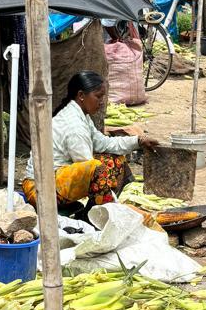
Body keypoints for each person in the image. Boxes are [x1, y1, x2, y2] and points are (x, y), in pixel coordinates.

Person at [22, 71, 159, 216]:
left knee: (116, 161)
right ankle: (98, 215)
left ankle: (91, 211)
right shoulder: (74, 126)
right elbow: (89, 170)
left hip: (57, 177)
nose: (101, 102)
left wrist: (138, 141)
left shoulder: (81, 115)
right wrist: (116, 205)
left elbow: (103, 143)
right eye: (98, 96)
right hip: (40, 189)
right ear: (81, 96)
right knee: (97, 169)